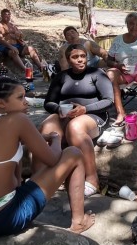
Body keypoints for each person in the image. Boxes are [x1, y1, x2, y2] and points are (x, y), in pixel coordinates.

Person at [0, 77, 95, 245]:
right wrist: (56, 139)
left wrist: (42, 138)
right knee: (73, 154)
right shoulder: (17, 120)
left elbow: (9, 146)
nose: (26, 102)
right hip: (3, 218)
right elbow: (52, 158)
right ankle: (79, 222)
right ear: (1, 103)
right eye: (20, 98)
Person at [41, 44, 114, 197]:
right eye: (75, 57)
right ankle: (46, 175)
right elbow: (48, 102)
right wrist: (58, 109)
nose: (80, 60)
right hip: (67, 114)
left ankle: (92, 179)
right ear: (68, 60)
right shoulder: (62, 76)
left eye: (82, 56)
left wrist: (85, 109)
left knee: (74, 127)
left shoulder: (97, 73)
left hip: (94, 114)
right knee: (47, 127)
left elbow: (109, 100)